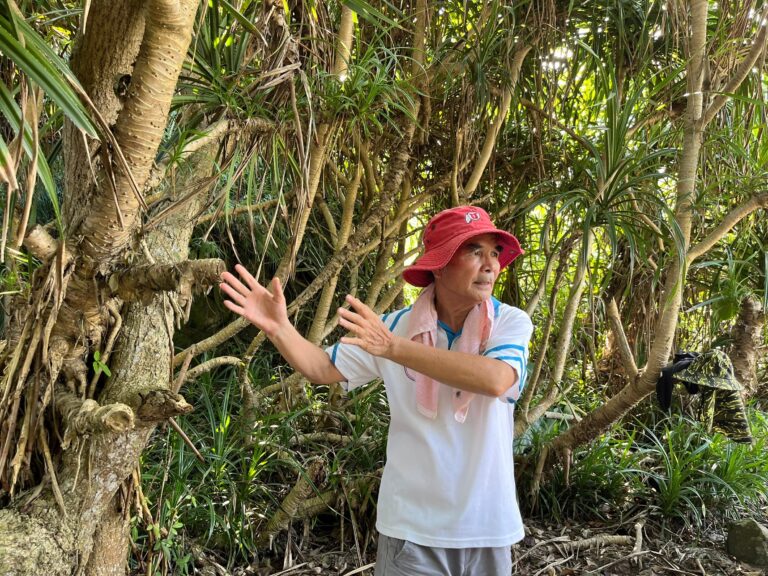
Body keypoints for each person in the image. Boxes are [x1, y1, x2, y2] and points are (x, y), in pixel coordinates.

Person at [220, 206, 533, 575]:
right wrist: (279, 328)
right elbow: (321, 368)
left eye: (494, 252)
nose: (491, 265)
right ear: (439, 264)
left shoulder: (509, 322)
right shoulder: (393, 327)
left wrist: (395, 349)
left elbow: (496, 379)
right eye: (474, 251)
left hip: (487, 527)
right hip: (411, 527)